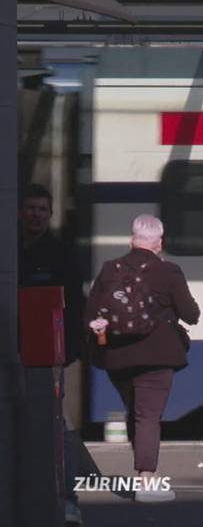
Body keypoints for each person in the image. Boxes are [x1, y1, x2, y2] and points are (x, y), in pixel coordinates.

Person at [85, 214, 200, 503]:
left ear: (132, 239)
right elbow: (191, 314)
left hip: (117, 356)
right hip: (158, 355)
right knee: (148, 416)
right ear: (158, 243)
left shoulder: (110, 269)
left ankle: (142, 472)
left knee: (136, 413)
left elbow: (89, 314)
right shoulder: (169, 271)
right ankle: (146, 481)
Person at [18, 183, 85, 523]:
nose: (36, 215)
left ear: (50, 214)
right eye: (30, 208)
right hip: (13, 354)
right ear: (19, 212)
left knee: (62, 428)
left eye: (42, 209)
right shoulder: (11, 249)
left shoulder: (60, 253)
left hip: (54, 357)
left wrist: (70, 351)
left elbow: (75, 305)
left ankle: (68, 498)